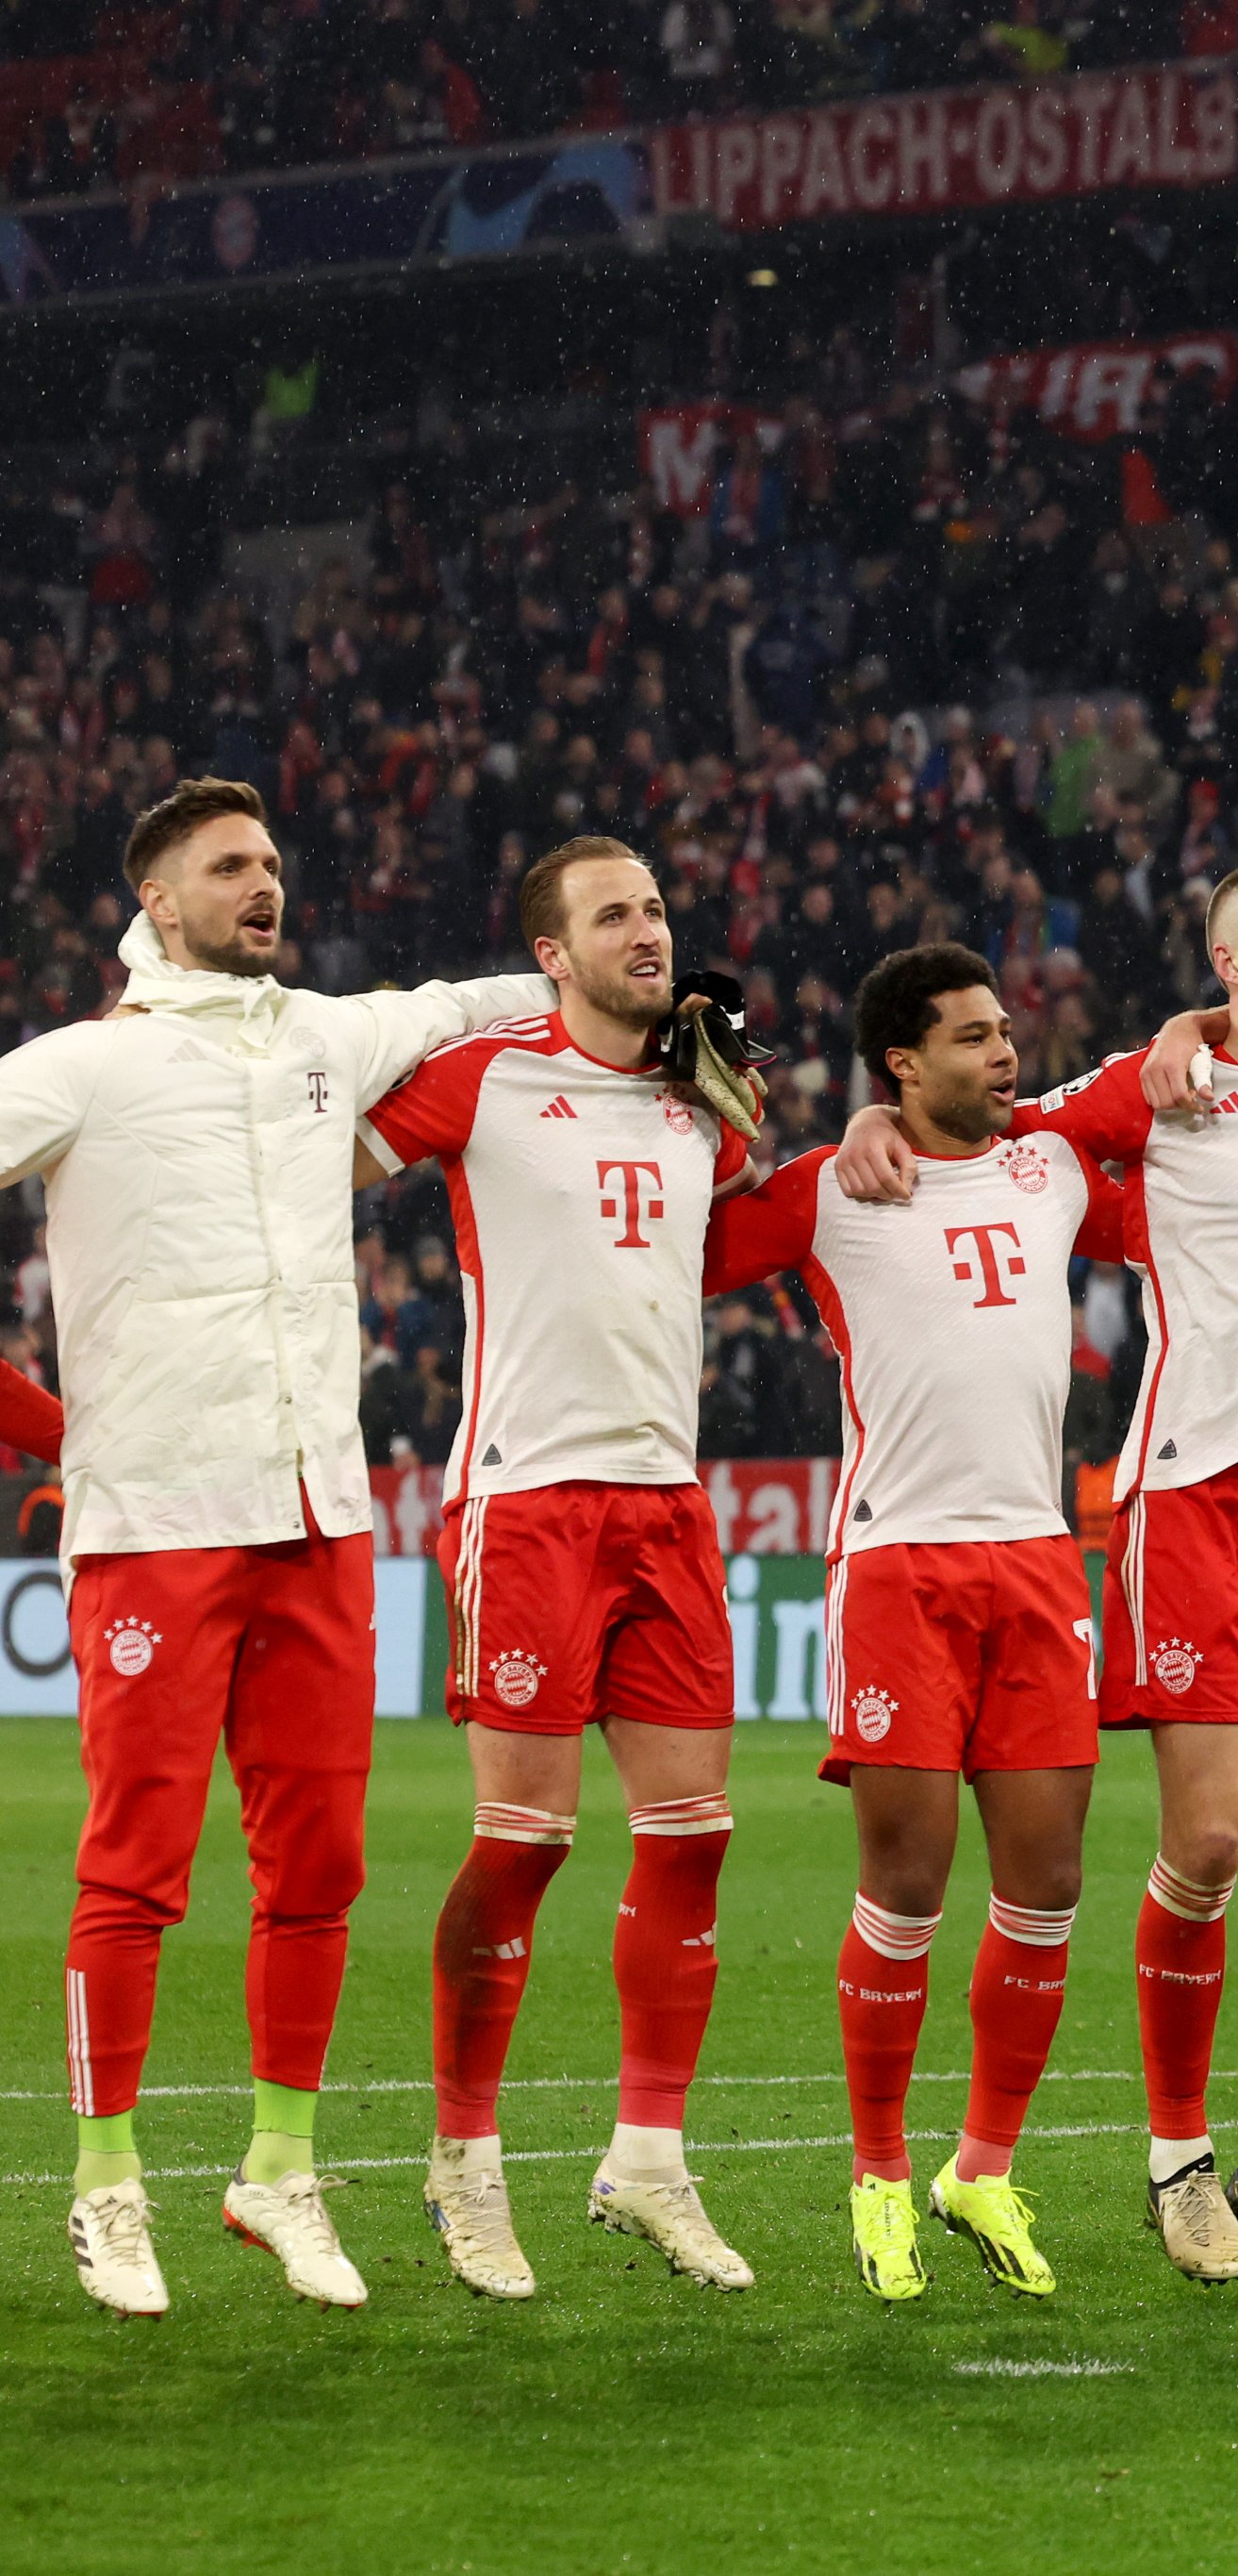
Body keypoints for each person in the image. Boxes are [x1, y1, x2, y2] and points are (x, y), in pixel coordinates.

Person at [844, 853, 1238, 2285]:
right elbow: (988, 1131)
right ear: (1227, 957)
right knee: (1207, 1841)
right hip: (1194, 1492)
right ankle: (1177, 2157)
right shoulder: (1155, 1082)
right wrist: (881, 1120)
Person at [0, 777, 553, 2318]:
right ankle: (107, 2188)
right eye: (228, 865)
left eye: (271, 863)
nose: (264, 884)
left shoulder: (325, 1037)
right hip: (156, 1528)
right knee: (136, 1870)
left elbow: (476, 1002)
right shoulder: (79, 1069)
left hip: (321, 1523)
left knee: (318, 1868)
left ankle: (278, 2168)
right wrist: (45, 1427)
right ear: (158, 901)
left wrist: (615, 979)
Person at [360, 836, 764, 2301]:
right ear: (551, 952)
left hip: (666, 1496)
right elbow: (331, 1158)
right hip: (526, 1493)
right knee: (526, 1840)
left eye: (656, 906)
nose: (649, 930)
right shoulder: (485, 1074)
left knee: (695, 1831)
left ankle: (647, 2158)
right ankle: (464, 2161)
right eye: (614, 914)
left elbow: (717, 1225)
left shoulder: (701, 1093)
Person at [704, 944, 1128, 2301]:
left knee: (1048, 1883)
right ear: (902, 1061)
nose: (1005, 1054)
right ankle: (879, 2171)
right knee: (907, 1879)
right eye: (972, 1038)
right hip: (897, 1563)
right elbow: (693, 1242)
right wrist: (795, 1125)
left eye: (1007, 1032)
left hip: (1039, 1561)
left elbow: (1160, 1116)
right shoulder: (837, 1188)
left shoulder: (1053, 1163)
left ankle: (981, 2165)